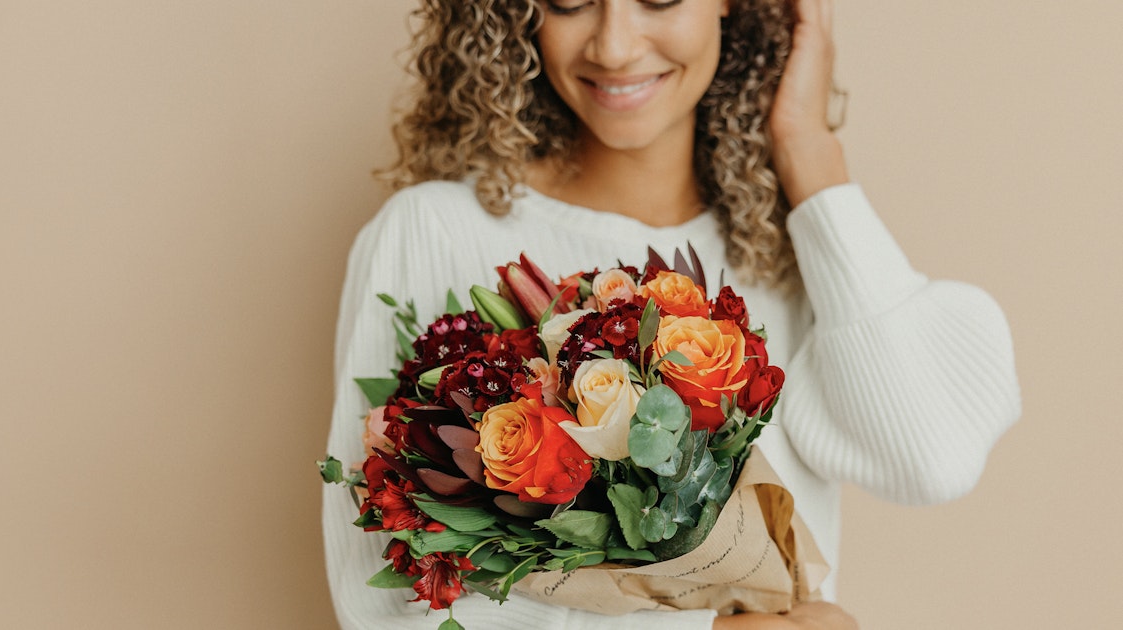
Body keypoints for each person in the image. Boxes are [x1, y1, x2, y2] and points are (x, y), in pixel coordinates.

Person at [321, 0, 1021, 628]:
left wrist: (808, 150)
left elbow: (930, 459)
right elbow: (384, 606)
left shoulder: (791, 250)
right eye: (571, 0)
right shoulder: (436, 231)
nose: (615, 46)